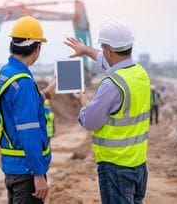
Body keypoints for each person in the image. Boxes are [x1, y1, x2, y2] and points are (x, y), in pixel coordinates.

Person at [64, 19, 150, 204]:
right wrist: (86, 50)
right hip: (138, 164)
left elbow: (90, 121)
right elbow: (108, 62)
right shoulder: (140, 73)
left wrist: (83, 101)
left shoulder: (112, 84)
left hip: (116, 167)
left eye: (103, 48)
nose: (103, 52)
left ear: (109, 50)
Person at [0, 16, 56, 203]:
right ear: (37, 48)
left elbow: (15, 109)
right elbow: (29, 131)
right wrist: (38, 174)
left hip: (12, 167)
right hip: (27, 171)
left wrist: (46, 93)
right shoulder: (24, 82)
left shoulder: (3, 74)